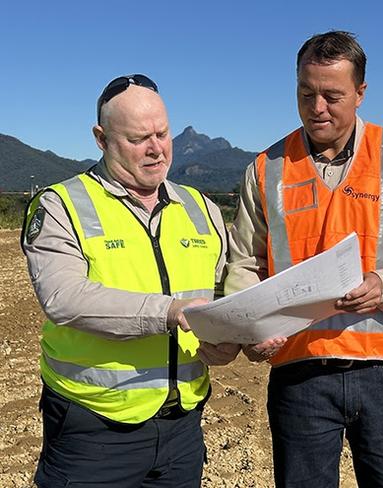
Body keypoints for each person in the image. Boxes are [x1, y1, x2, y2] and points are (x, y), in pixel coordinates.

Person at [226, 31, 383, 487]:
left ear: (361, 93)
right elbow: (244, 263)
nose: (317, 108)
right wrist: (249, 330)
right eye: (306, 93)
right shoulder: (267, 168)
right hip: (301, 376)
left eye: (332, 96)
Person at [22, 74, 246, 487]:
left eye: (162, 133)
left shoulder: (202, 208)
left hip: (183, 426)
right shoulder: (61, 206)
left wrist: (237, 335)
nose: (156, 148)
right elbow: (64, 297)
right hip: (93, 430)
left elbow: (226, 290)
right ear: (101, 138)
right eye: (138, 138)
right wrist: (170, 312)